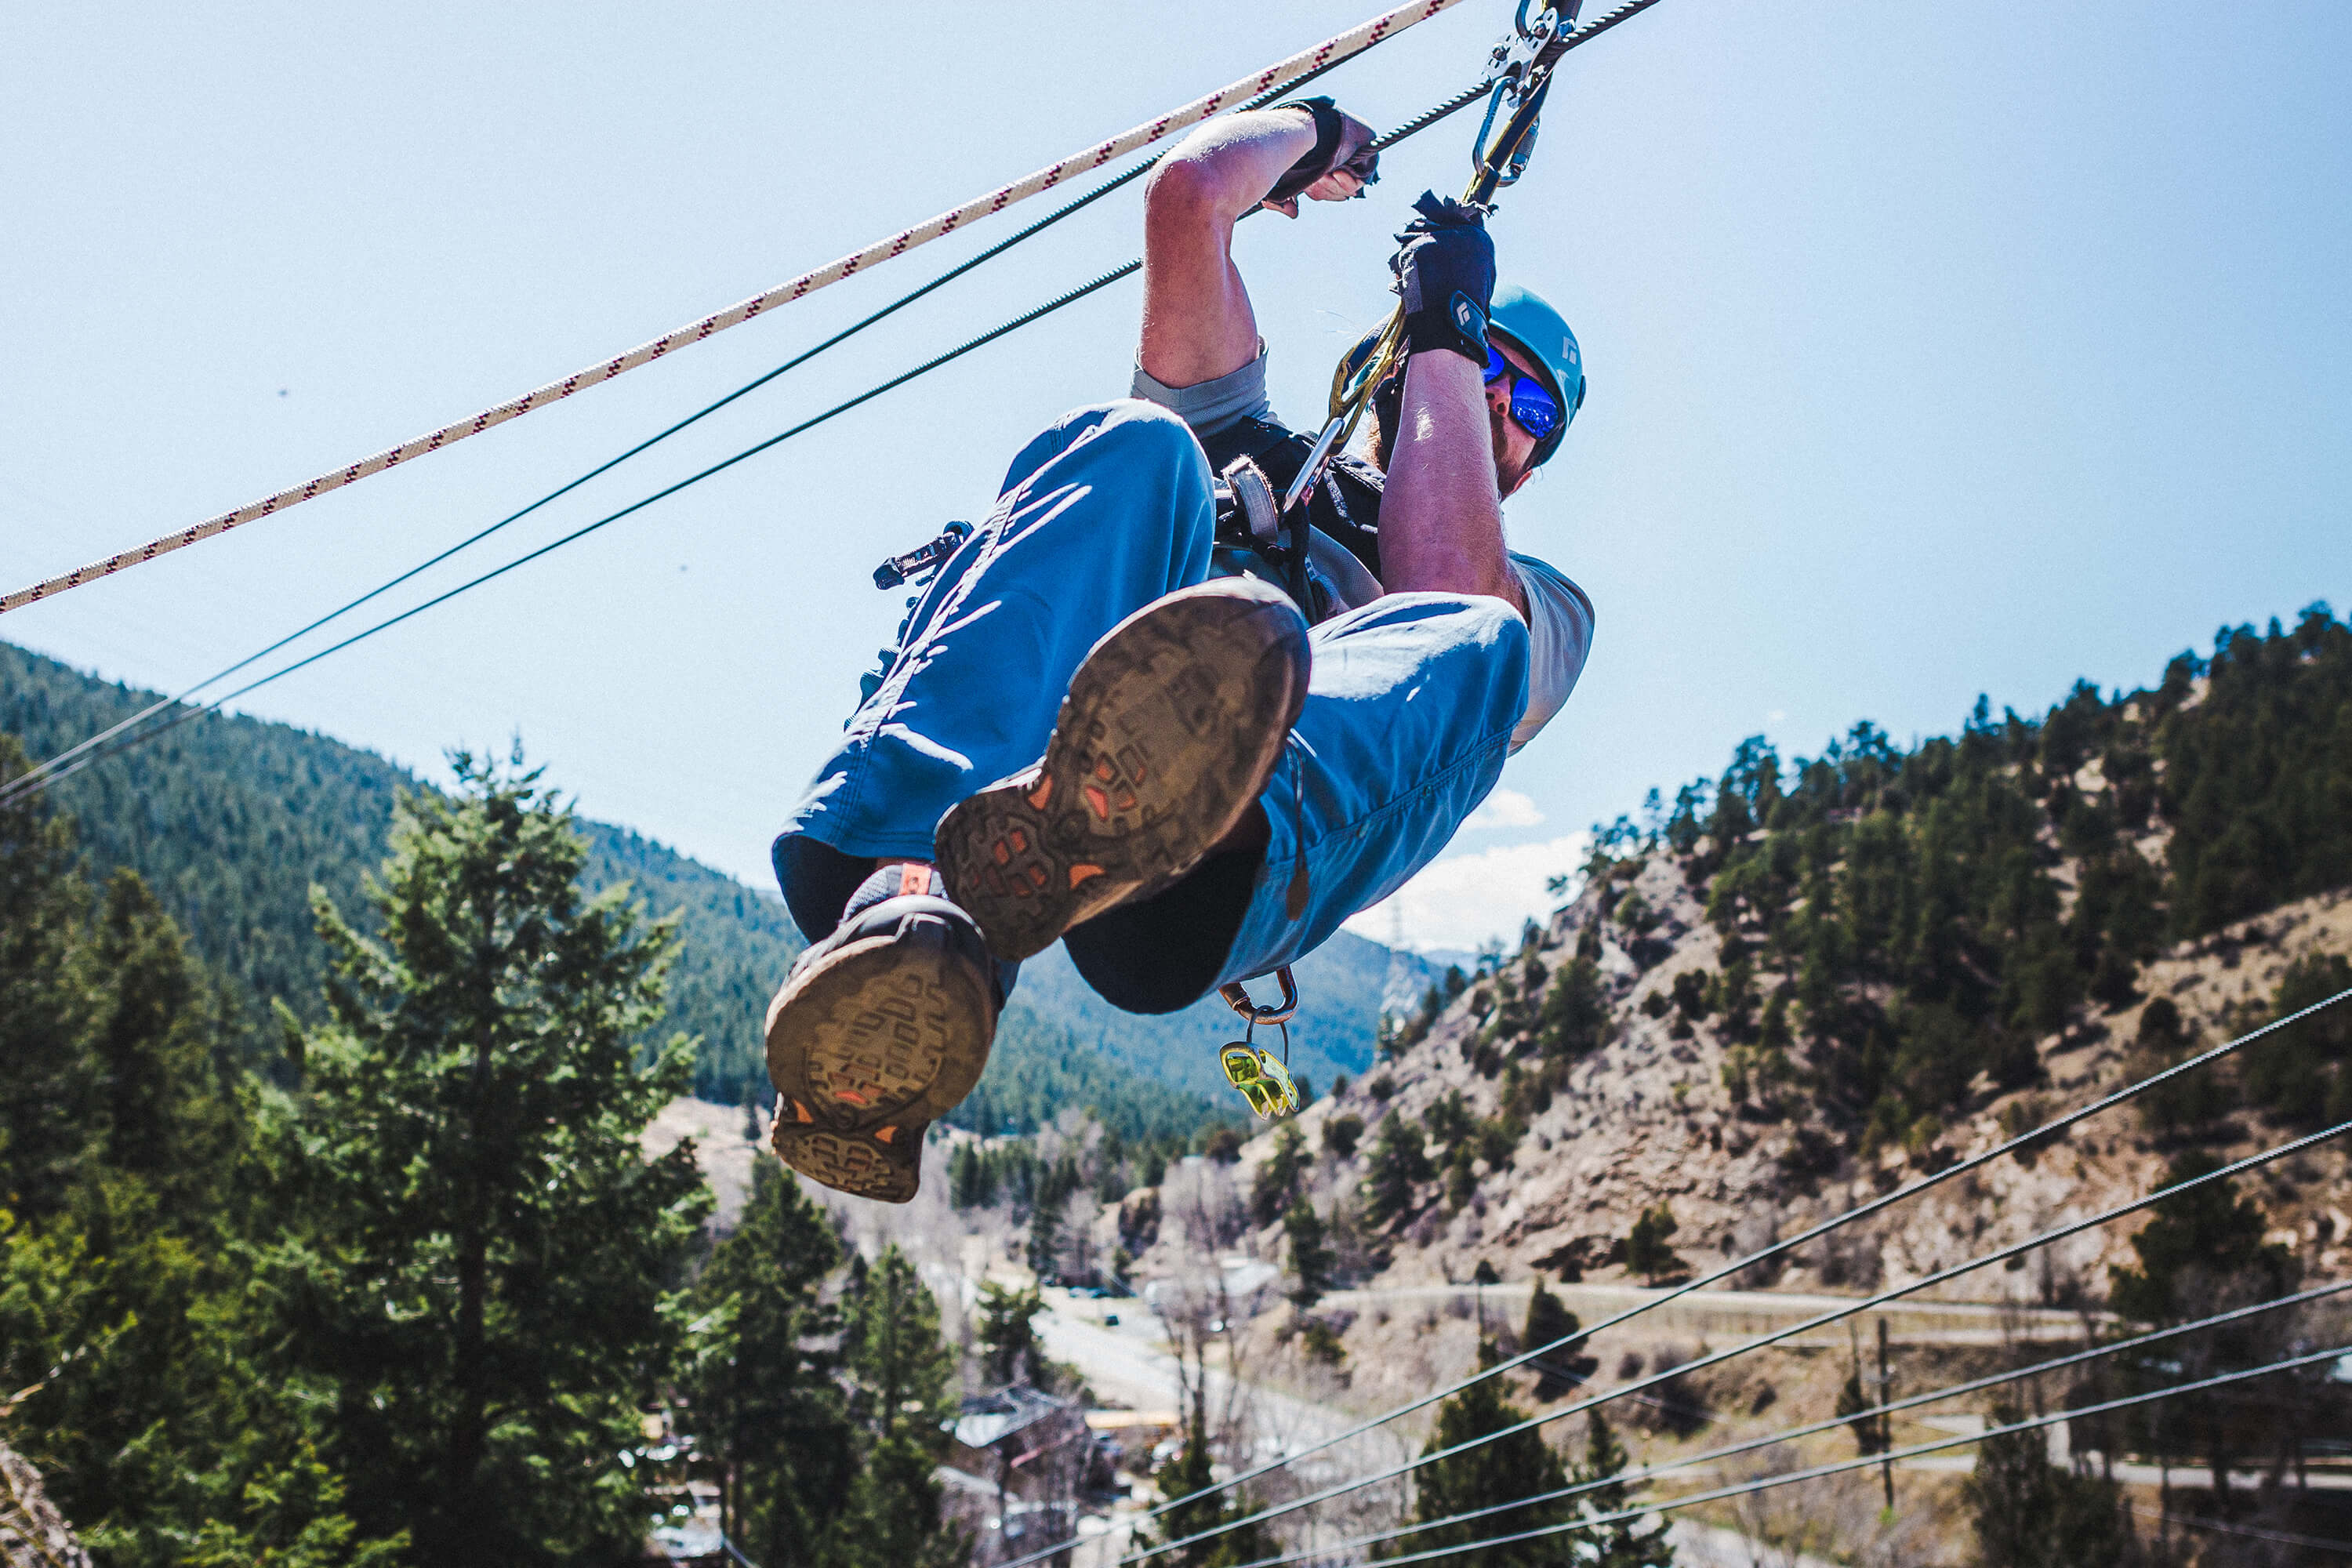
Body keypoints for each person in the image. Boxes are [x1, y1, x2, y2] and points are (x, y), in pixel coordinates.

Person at [763, 98, 1597, 1201]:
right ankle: (910, 912)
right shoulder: (1240, 449)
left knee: (1474, 641)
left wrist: (1449, 329)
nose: (1499, 389)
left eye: (1529, 398)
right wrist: (1312, 132)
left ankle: (1195, 804)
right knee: (1137, 442)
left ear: (1533, 460)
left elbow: (1446, 584)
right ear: (1384, 369)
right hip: (1037, 754)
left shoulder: (1539, 609)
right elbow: (1187, 200)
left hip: (1231, 869)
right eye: (1490, 360)